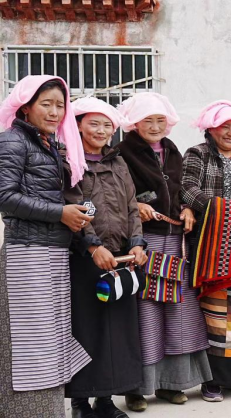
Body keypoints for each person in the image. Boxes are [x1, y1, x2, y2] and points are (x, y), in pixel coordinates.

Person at [0, 75, 92, 416]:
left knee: (52, 337)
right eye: (46, 104)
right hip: (27, 252)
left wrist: (77, 219)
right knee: (31, 340)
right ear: (26, 107)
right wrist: (60, 214)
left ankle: (50, 411)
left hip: (53, 250)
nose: (55, 112)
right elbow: (5, 197)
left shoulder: (50, 144)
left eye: (60, 105)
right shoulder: (12, 141)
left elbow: (59, 197)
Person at [116, 92, 211, 411]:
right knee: (146, 314)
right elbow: (115, 193)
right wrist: (135, 204)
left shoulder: (172, 149)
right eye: (148, 120)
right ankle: (136, 388)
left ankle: (172, 384)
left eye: (160, 120)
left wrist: (188, 208)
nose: (155, 126)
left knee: (177, 313)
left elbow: (180, 189)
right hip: (145, 241)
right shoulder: (121, 152)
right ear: (134, 123)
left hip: (175, 242)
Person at [64, 97, 148, 418]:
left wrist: (137, 244)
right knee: (86, 330)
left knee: (117, 331)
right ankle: (80, 402)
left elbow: (131, 207)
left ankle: (106, 400)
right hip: (85, 259)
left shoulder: (118, 161)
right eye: (93, 123)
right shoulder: (69, 161)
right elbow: (72, 206)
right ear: (78, 125)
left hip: (120, 258)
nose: (101, 131)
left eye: (107, 125)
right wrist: (92, 246)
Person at [181, 100, 231, 402]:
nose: (230, 133)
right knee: (216, 312)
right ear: (211, 128)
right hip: (216, 243)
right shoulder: (198, 153)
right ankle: (212, 380)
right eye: (224, 127)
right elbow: (187, 188)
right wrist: (222, 212)